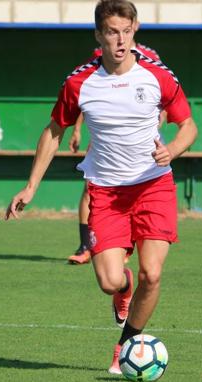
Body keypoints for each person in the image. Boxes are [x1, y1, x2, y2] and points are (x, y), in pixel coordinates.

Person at [5, 0, 197, 374]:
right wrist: (30, 187)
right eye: (112, 32)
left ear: (135, 29)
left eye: (127, 31)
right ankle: (122, 294)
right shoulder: (80, 82)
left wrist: (171, 150)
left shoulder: (157, 76)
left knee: (152, 274)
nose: (121, 40)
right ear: (99, 36)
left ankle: (125, 346)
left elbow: (187, 125)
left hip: (153, 186)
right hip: (106, 194)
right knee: (111, 282)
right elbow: (54, 131)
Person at [67, 44, 163, 265]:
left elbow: (165, 95)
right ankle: (85, 246)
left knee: (141, 190)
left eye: (127, 26)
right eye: (112, 29)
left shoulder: (151, 58)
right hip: (105, 139)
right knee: (90, 187)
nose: (119, 35)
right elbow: (88, 95)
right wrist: (78, 128)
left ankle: (125, 243)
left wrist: (158, 122)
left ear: (134, 25)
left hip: (142, 143)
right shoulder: (101, 55)